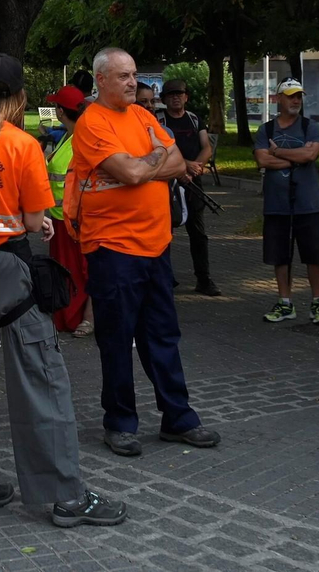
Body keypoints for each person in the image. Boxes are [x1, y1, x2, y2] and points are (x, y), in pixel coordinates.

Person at [0, 54, 127, 528]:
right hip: (6, 270)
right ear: (20, 95)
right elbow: (31, 220)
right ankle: (65, 496)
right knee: (41, 379)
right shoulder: (22, 145)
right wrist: (41, 224)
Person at [72, 47, 219, 458]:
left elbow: (178, 165)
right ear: (101, 80)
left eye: (134, 74)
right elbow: (135, 171)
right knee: (117, 338)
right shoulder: (92, 123)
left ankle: (179, 418)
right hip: (113, 247)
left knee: (162, 335)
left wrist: (151, 162)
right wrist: (156, 158)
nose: (132, 82)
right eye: (122, 76)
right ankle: (119, 422)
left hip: (156, 245)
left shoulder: (142, 116)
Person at [253, 79, 319, 324]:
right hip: (277, 204)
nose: (295, 100)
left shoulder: (310, 127)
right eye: (290, 96)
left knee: (314, 256)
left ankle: (318, 302)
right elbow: (262, 161)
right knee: (280, 256)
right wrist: (297, 159)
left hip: (308, 203)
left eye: (298, 96)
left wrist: (277, 152)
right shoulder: (266, 130)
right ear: (279, 99)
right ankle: (285, 302)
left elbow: (311, 154)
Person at [157, 79, 219, 297]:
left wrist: (196, 167)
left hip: (193, 183)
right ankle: (165, 279)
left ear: (186, 97)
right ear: (164, 99)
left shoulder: (194, 119)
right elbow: (157, 150)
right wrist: (183, 166)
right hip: (167, 183)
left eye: (180, 93)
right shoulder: (159, 120)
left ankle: (204, 278)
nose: (176, 97)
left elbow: (207, 148)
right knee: (165, 234)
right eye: (171, 94)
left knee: (198, 233)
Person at [42, 85, 92, 335]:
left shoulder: (80, 139)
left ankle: (83, 318)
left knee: (79, 272)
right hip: (62, 220)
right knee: (67, 271)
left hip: (75, 222)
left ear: (61, 111)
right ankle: (68, 315)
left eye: (56, 107)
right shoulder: (69, 136)